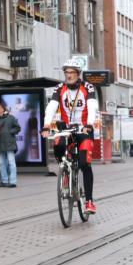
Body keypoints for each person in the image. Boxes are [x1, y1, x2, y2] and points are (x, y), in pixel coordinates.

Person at [43, 57, 99, 214]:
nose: (68, 75)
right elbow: (51, 107)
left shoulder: (87, 87)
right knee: (58, 145)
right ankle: (65, 171)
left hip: (84, 129)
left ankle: (89, 201)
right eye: (66, 72)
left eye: (71, 72)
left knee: (84, 163)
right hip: (67, 129)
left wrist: (89, 124)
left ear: (78, 73)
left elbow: (92, 107)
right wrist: (46, 125)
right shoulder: (60, 88)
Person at [0, 102, 22, 188]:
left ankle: (13, 182)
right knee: (1, 164)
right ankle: (4, 181)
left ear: (3, 109)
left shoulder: (10, 118)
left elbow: (18, 128)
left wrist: (10, 132)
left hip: (9, 144)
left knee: (11, 163)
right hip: (0, 145)